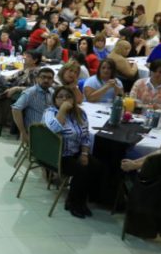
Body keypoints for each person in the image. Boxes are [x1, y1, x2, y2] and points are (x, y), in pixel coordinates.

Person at [43, 86, 103, 218]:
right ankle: (73, 203)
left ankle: (83, 200)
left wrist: (84, 154)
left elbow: (86, 136)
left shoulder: (80, 113)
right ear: (55, 100)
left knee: (96, 166)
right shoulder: (50, 112)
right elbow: (53, 129)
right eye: (61, 97)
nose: (65, 99)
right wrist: (63, 110)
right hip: (57, 155)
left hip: (76, 152)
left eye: (68, 96)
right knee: (81, 171)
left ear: (73, 99)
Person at [12, 68, 55, 143]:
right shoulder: (30, 92)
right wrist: (22, 132)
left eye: (49, 78)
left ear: (52, 80)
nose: (46, 80)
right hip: (36, 131)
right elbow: (16, 109)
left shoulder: (52, 92)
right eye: (43, 77)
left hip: (50, 129)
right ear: (37, 78)